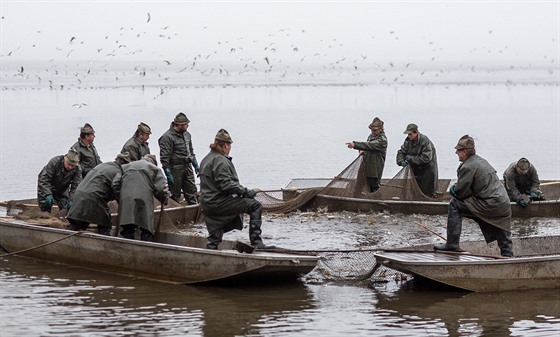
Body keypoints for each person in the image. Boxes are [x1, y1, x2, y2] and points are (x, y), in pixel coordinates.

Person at [434, 135, 513, 257]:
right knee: (500, 223)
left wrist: (455, 189)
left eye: (458, 150)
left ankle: (452, 244)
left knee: (454, 204)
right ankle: (508, 254)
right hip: (504, 203)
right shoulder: (481, 161)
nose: (456, 152)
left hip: (490, 204)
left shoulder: (467, 166)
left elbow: (461, 193)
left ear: (465, 152)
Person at [199, 129, 274, 250]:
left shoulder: (206, 159)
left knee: (216, 227)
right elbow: (226, 184)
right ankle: (257, 242)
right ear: (225, 145)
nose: (230, 148)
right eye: (229, 145)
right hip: (218, 203)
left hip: (207, 203)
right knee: (255, 206)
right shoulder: (220, 160)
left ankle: (211, 248)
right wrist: (245, 192)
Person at [66, 152, 131, 235]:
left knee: (77, 224)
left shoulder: (103, 165)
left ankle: (65, 242)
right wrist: (121, 201)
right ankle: (106, 245)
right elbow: (116, 186)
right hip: (95, 197)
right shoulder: (119, 171)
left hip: (79, 194)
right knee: (105, 225)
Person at [112, 154, 168, 242]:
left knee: (127, 228)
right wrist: (164, 199)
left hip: (127, 200)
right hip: (144, 201)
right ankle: (145, 250)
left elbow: (115, 184)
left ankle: (127, 248)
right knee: (146, 228)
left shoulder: (125, 167)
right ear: (153, 162)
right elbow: (161, 189)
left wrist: (121, 198)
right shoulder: (154, 168)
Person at [158, 112, 199, 204]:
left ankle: (193, 210)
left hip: (187, 166)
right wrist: (168, 174)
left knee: (192, 191)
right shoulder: (167, 137)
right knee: (175, 194)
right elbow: (164, 159)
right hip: (175, 168)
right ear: (179, 125)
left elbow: (191, 151)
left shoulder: (187, 135)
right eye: (185, 124)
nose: (187, 126)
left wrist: (195, 164)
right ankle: (174, 211)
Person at [345, 117, 387, 192]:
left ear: (381, 129)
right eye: (371, 130)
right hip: (365, 167)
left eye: (375, 130)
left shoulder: (382, 140)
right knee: (358, 188)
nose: (372, 131)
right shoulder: (371, 136)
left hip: (374, 171)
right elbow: (367, 147)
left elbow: (370, 145)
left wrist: (355, 144)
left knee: (374, 189)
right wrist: (362, 151)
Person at [396, 123, 439, 196]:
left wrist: (410, 159)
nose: (409, 136)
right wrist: (401, 161)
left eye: (410, 134)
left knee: (426, 191)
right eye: (408, 134)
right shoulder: (408, 141)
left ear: (416, 132)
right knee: (415, 191)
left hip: (427, 170)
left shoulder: (425, 141)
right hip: (416, 170)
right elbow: (401, 151)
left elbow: (426, 158)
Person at [37, 147, 82, 212]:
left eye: (73, 166)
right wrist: (48, 194)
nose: (70, 167)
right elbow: (44, 179)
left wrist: (72, 199)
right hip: (45, 186)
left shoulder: (77, 169)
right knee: (46, 204)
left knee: (65, 206)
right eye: (69, 164)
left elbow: (76, 186)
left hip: (62, 189)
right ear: (65, 160)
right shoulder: (54, 162)